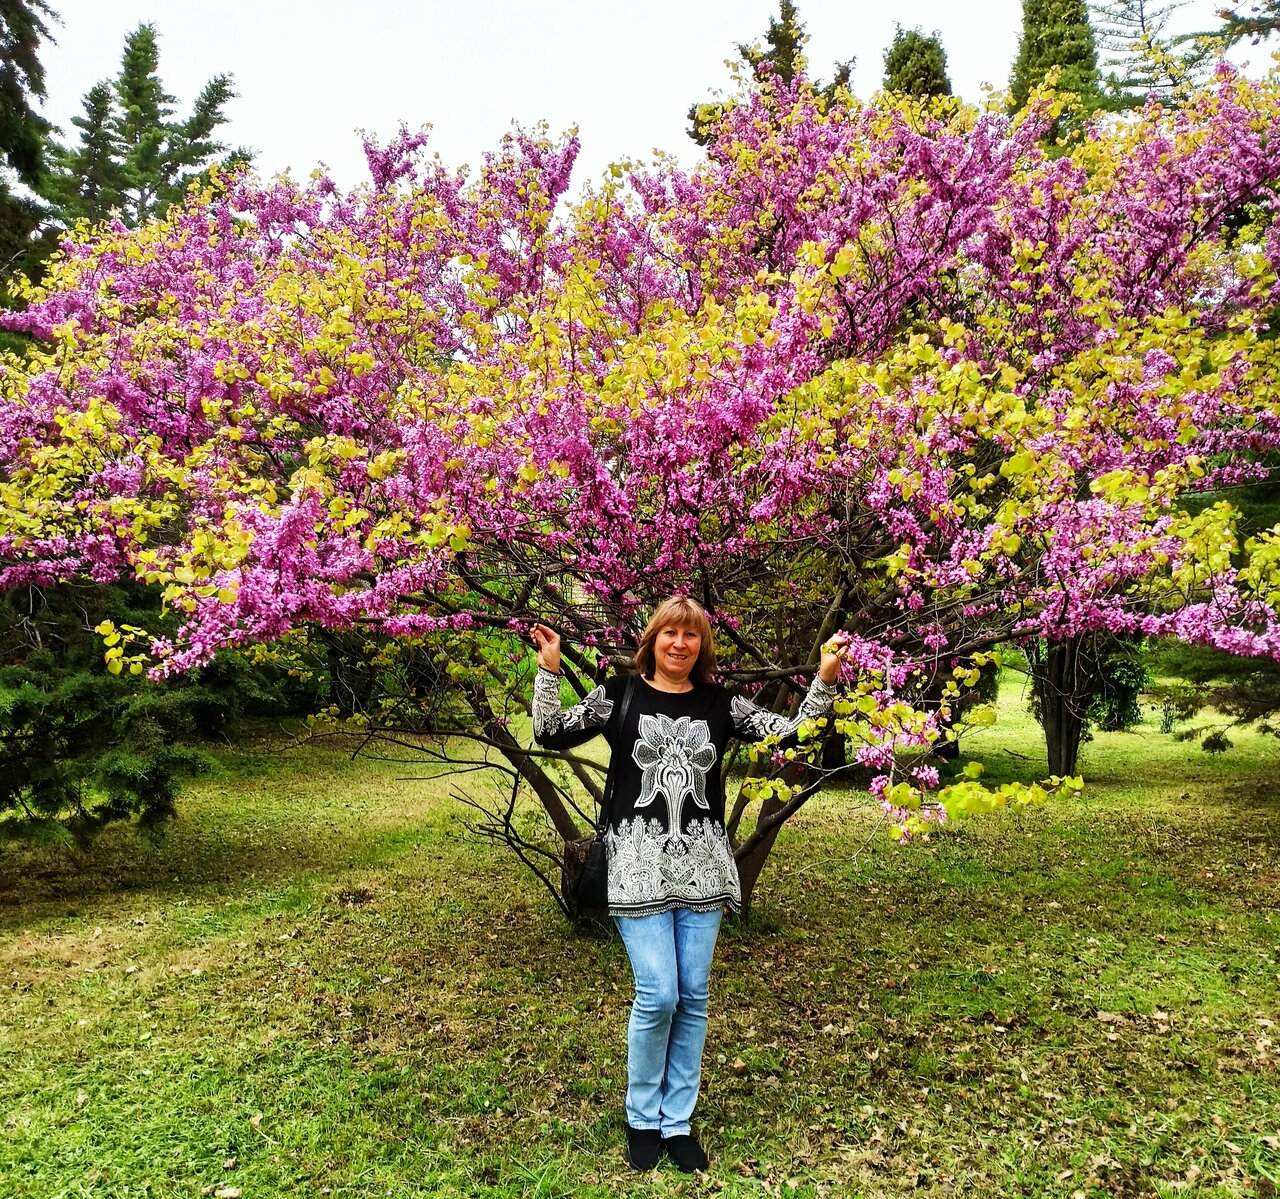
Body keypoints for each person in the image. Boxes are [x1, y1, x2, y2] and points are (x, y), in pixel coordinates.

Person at [530, 596, 843, 1173]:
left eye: (691, 635)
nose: (680, 643)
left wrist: (823, 679)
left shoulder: (720, 703)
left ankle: (676, 1121)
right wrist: (549, 671)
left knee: (693, 996)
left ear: (702, 645)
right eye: (670, 633)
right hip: (637, 866)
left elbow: (792, 736)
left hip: (703, 867)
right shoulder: (621, 694)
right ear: (652, 640)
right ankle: (641, 1117)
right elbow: (550, 732)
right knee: (659, 994)